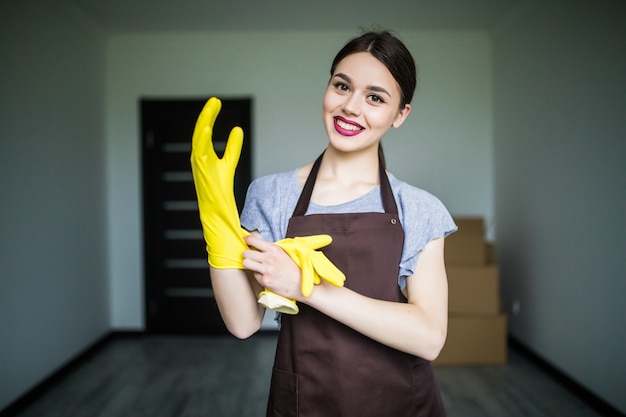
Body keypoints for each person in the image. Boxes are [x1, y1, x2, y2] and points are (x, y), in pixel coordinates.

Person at [191, 30, 457, 417]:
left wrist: (307, 288)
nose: (351, 106)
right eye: (342, 86)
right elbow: (243, 322)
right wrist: (215, 219)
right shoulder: (272, 195)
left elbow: (430, 338)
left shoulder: (418, 207)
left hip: (402, 404)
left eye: (375, 97)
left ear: (401, 115)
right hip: (306, 402)